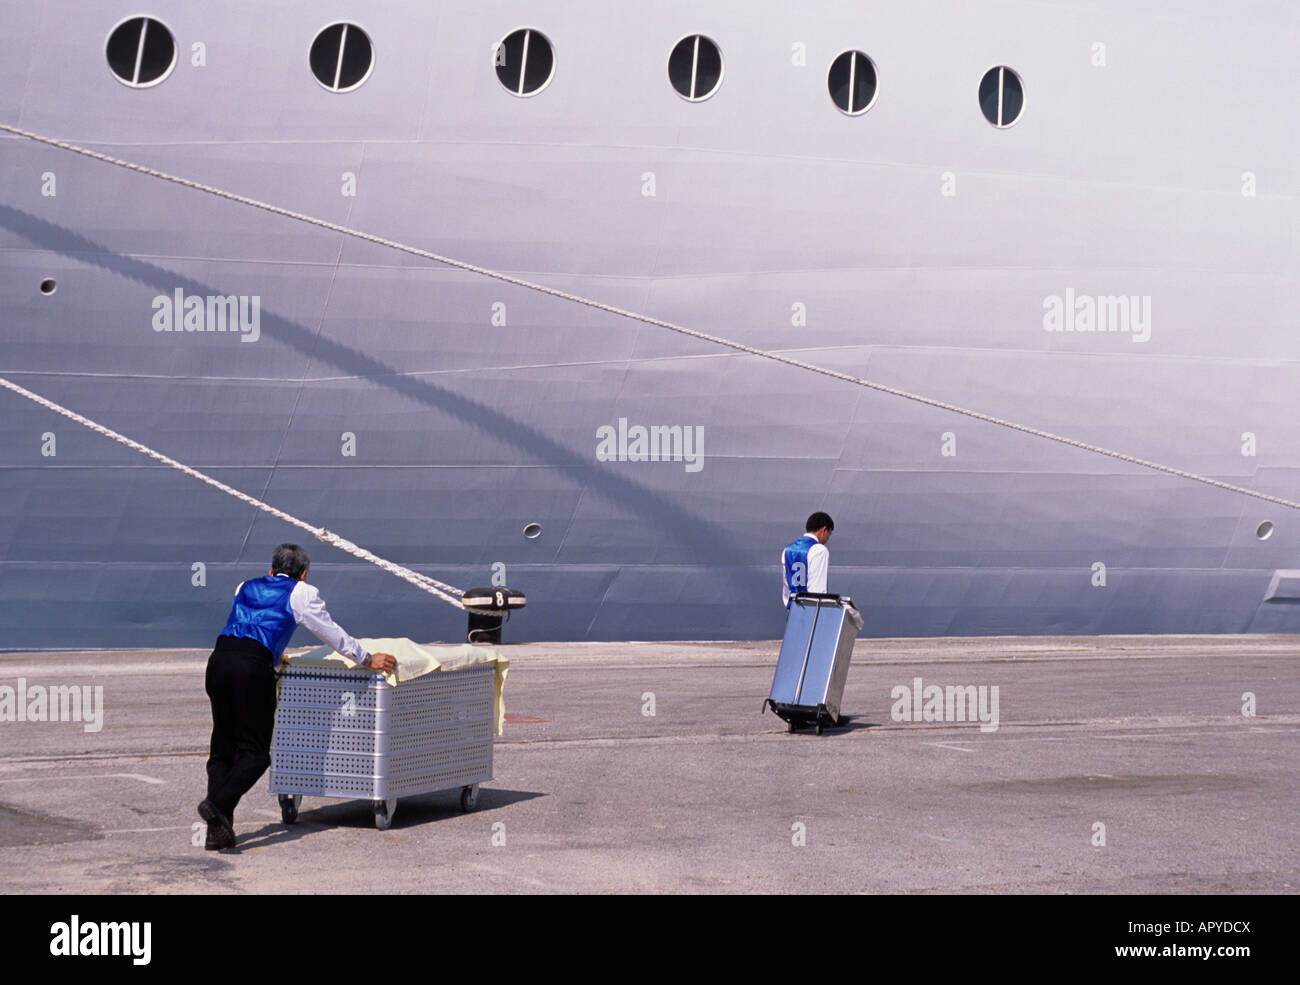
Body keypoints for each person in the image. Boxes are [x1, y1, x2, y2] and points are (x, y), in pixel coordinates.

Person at [198, 543, 396, 850]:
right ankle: (216, 802)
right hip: (251, 669)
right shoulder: (301, 593)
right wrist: (367, 658)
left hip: (219, 661)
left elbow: (248, 625)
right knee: (255, 753)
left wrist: (273, 652)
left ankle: (218, 829)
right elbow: (331, 633)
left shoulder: (244, 586)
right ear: (302, 574)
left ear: (270, 569)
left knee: (223, 748)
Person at [782, 512, 834, 608]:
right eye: (829, 534)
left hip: (792, 608)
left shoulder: (787, 550)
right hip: (811, 611)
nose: (827, 539)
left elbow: (786, 585)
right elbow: (817, 590)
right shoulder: (819, 550)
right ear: (824, 529)